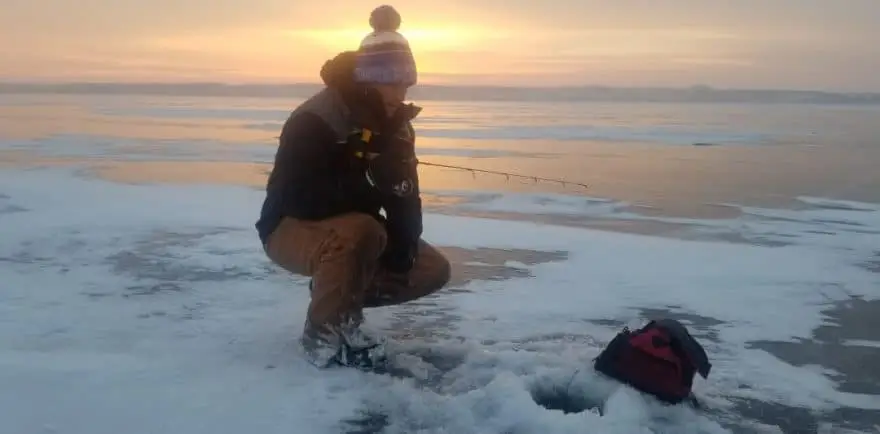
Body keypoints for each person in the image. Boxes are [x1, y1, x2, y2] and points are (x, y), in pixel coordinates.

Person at [255, 4, 451, 369]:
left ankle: (336, 296)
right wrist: (370, 180)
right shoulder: (315, 118)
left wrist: (404, 245)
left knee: (430, 267)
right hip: (287, 226)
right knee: (362, 230)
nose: (399, 94)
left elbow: (407, 196)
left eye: (405, 84)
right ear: (369, 77)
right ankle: (324, 339)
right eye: (392, 82)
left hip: (352, 231)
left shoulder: (398, 126)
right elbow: (299, 197)